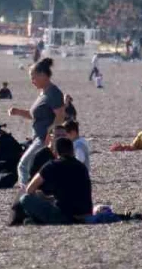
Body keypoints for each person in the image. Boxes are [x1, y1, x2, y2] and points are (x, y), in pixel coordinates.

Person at [9, 58, 65, 187]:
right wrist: (17, 111)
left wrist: (50, 135)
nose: (32, 81)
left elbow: (60, 116)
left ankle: (25, 193)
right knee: (35, 166)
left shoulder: (53, 93)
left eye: (33, 77)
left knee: (23, 165)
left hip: (45, 138)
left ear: (43, 75)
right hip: (38, 137)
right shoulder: (43, 94)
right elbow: (34, 115)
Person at [12, 137, 92, 225]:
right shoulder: (81, 167)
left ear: (55, 152)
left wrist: (42, 196)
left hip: (65, 217)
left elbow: (29, 189)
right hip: (86, 214)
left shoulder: (52, 165)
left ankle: (35, 220)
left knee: (25, 198)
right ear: (72, 151)